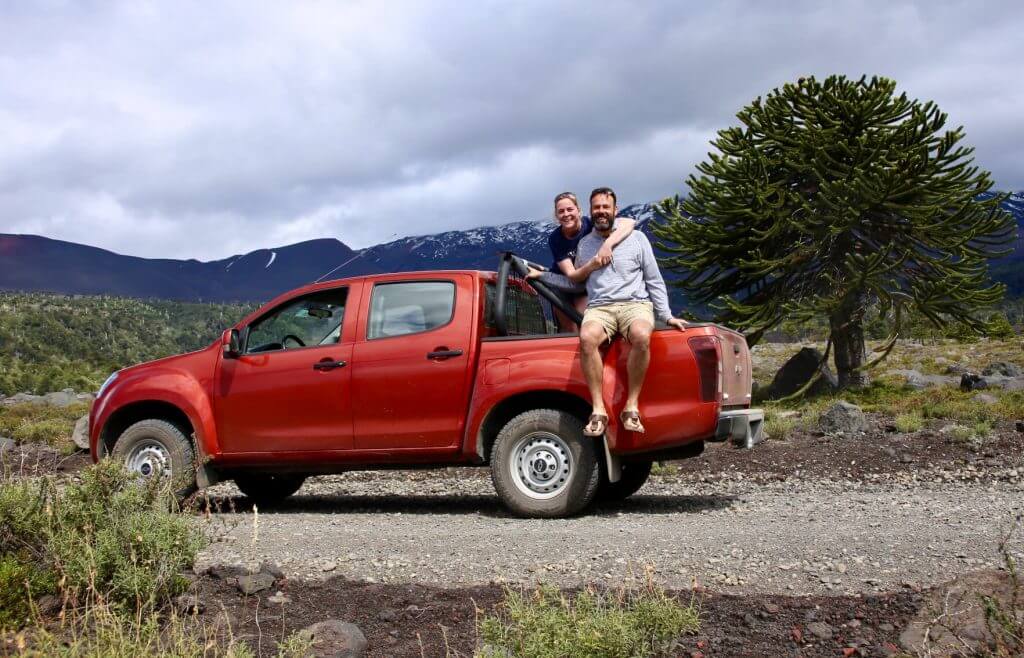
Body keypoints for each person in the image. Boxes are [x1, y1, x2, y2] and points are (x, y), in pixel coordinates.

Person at [528, 187, 686, 436]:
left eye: (605, 207)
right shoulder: (584, 244)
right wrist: (543, 276)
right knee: (587, 337)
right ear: (590, 212)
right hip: (600, 306)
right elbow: (576, 282)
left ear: (615, 210)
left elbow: (654, 280)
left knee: (641, 335)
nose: (601, 211)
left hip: (635, 304)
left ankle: (631, 406)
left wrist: (666, 315)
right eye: (597, 208)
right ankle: (598, 409)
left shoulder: (637, 238)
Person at [546, 191, 636, 331]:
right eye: (561, 211)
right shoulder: (555, 238)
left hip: (586, 284)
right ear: (556, 215)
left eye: (570, 209)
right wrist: (592, 264)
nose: (566, 214)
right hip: (563, 284)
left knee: (586, 323)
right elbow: (572, 275)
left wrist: (608, 245)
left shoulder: (590, 225)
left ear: (578, 210)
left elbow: (630, 222)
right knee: (570, 332)